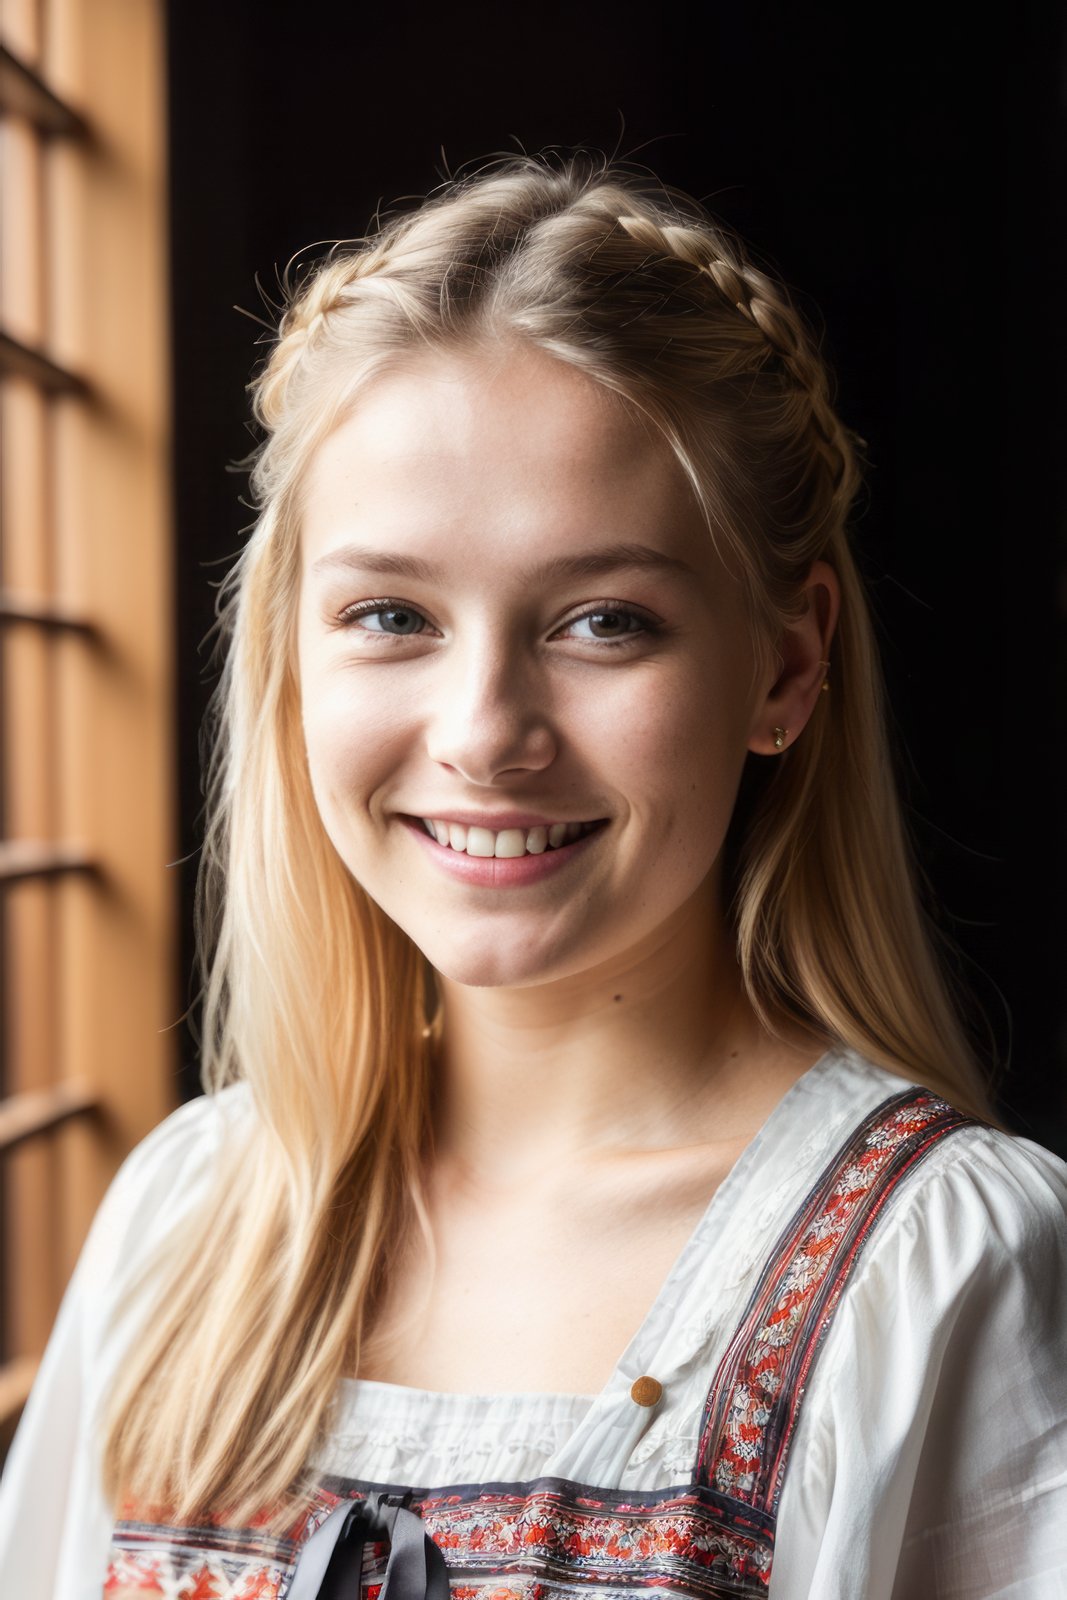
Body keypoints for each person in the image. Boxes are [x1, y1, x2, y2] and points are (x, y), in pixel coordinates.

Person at [1, 151, 1064, 1600]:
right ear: (290, 661)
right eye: (391, 614)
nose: (486, 731)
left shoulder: (942, 1275)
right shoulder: (187, 1226)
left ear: (788, 664)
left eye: (605, 622)